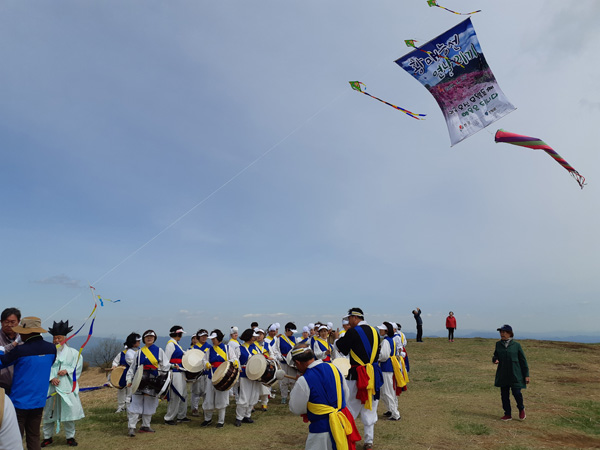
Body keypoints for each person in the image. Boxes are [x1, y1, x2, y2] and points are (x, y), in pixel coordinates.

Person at [288, 344, 361, 450]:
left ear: (298, 362)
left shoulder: (304, 380)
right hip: (341, 424)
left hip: (320, 430)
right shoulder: (334, 368)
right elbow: (346, 394)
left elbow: (296, 408)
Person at [0, 316, 56, 450]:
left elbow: (2, 363)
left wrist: (2, 351)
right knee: (34, 435)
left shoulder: (21, 350)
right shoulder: (52, 349)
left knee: (16, 436)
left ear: (26, 332)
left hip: (19, 401)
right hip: (39, 400)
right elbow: (50, 364)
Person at [334, 308, 383, 450]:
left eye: (349, 319)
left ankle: (348, 437)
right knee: (371, 407)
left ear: (355, 318)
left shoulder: (353, 332)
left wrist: (337, 339)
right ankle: (369, 440)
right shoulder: (375, 331)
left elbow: (342, 348)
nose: (348, 322)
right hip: (373, 374)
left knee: (351, 406)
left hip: (357, 373)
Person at [42, 320, 85, 447]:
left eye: (59, 338)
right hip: (51, 387)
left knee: (68, 412)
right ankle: (47, 437)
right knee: (49, 411)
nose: (56, 341)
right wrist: (51, 378)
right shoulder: (48, 352)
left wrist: (68, 371)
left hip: (66, 386)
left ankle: (70, 436)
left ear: (65, 338)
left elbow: (77, 367)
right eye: (54, 338)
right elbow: (43, 367)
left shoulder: (73, 353)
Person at [126, 330, 169, 436]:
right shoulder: (139, 352)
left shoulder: (159, 351)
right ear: (144, 339)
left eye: (151, 337)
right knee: (136, 403)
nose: (149, 338)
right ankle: (132, 427)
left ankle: (146, 425)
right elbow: (133, 367)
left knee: (150, 404)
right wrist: (129, 379)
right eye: (147, 337)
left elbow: (165, 365)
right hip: (139, 380)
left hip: (153, 381)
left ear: (154, 338)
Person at [201, 329, 238, 428]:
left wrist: (231, 363)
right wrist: (206, 364)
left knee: (221, 398)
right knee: (209, 398)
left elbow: (234, 359)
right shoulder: (210, 350)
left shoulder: (227, 348)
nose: (212, 341)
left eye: (214, 339)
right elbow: (204, 360)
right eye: (212, 339)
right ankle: (207, 419)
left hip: (223, 377)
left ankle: (220, 421)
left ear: (219, 338)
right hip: (211, 376)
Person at [493, 325, 529, 421]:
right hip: (503, 374)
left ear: (510, 333)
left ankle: (521, 409)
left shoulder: (516, 345)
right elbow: (495, 355)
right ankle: (507, 414)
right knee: (504, 395)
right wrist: (495, 359)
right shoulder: (498, 344)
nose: (502, 334)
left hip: (515, 374)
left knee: (516, 393)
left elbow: (523, 361)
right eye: (501, 332)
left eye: (504, 332)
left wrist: (526, 375)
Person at [376, 322, 407, 422]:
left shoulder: (386, 341)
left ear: (385, 331)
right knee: (389, 390)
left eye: (381, 329)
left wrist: (376, 358)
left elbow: (384, 356)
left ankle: (395, 413)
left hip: (386, 367)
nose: (379, 331)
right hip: (390, 367)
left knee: (387, 391)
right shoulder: (391, 340)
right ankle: (391, 410)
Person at [164, 326, 190, 425]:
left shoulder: (176, 344)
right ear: (177, 334)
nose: (182, 336)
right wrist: (173, 366)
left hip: (181, 372)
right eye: (181, 334)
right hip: (175, 373)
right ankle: (169, 418)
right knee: (175, 395)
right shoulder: (170, 345)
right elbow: (166, 361)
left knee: (183, 394)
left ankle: (181, 415)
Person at [235, 328, 260, 427]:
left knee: (253, 396)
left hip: (255, 375)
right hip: (244, 375)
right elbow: (236, 362)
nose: (254, 338)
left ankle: (247, 415)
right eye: (253, 336)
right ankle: (239, 417)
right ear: (249, 337)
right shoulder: (239, 349)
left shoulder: (255, 348)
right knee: (243, 397)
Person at [111, 333, 141, 413]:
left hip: (133, 375)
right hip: (122, 374)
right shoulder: (122, 353)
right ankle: (121, 407)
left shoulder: (140, 352)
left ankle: (129, 407)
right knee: (121, 391)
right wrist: (114, 366)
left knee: (130, 391)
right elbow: (115, 361)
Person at [272, 322, 298, 405]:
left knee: (293, 380)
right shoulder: (280, 339)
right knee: (283, 381)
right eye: (291, 331)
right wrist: (280, 357)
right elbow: (276, 350)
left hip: (292, 363)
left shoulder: (294, 339)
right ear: (287, 330)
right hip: (283, 362)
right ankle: (284, 397)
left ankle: (293, 397)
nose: (292, 333)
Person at [190, 329, 210, 417]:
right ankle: (194, 409)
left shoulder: (209, 347)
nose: (204, 338)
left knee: (206, 392)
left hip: (207, 372)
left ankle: (206, 408)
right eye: (202, 336)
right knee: (196, 392)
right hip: (197, 373)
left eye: (205, 336)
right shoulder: (194, 348)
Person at [0, 307, 21, 393]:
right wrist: (14, 344)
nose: (9, 325)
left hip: (20, 386)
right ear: (1, 322)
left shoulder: (24, 338)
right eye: (6, 322)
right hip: (2, 387)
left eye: (13, 322)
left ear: (19, 322)